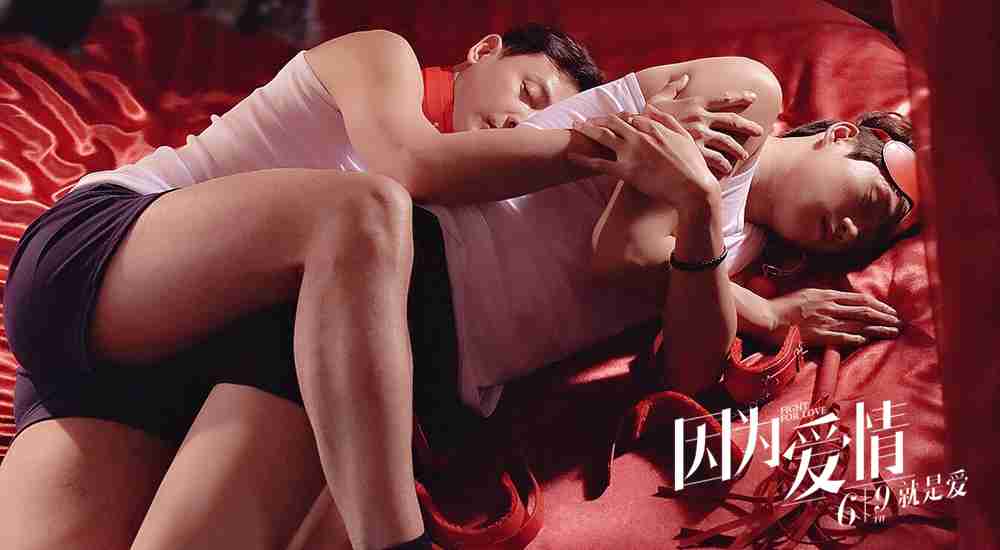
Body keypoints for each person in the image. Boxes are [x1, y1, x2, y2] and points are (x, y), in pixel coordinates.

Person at [0, 22, 914, 550]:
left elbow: (689, 364)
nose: (859, 231)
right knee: (366, 210)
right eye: (876, 198)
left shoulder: (733, 252)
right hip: (374, 278)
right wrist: (696, 240)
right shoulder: (747, 91)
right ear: (841, 134)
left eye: (881, 235)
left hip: (361, 343)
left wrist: (723, 255)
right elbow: (618, 254)